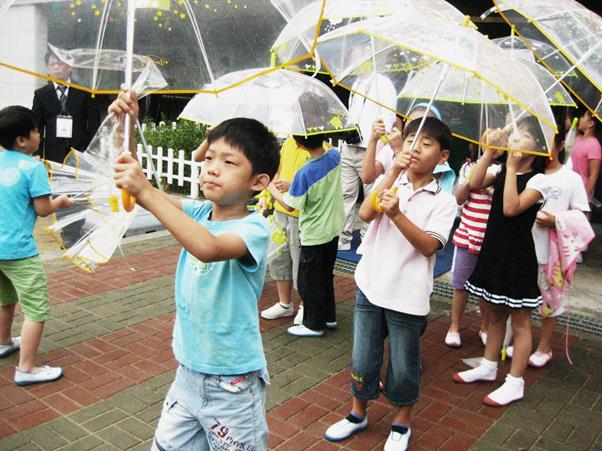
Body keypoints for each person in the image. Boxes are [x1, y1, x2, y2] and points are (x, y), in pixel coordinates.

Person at [110, 90, 280, 450]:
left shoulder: (254, 229)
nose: (213, 168)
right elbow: (143, 194)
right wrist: (126, 127)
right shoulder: (200, 213)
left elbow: (208, 248)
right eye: (210, 158)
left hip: (233, 385)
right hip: (188, 372)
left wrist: (146, 190)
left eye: (230, 162)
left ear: (258, 182)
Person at [324, 117, 456, 450]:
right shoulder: (392, 181)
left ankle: (401, 423)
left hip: (408, 296)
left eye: (426, 144)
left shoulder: (444, 200)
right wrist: (393, 173)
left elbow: (429, 245)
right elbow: (366, 214)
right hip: (370, 285)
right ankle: (358, 413)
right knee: (363, 357)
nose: (415, 148)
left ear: (443, 157)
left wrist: (397, 214)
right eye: (411, 140)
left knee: (403, 364)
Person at [453, 116, 549, 407]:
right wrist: (488, 154)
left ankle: (515, 382)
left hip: (518, 258)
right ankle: (489, 365)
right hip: (493, 251)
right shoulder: (499, 169)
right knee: (494, 315)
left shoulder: (539, 180)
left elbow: (510, 208)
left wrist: (508, 168)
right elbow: (474, 184)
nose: (516, 139)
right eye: (514, 134)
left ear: (540, 147)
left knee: (520, 322)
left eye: (525, 136)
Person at [0, 105, 73, 385]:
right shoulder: (34, 167)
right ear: (22, 140)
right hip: (19, 251)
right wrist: (61, 202)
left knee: (5, 299)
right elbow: (43, 210)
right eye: (34, 130)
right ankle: (26, 368)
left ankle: (4, 341)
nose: (38, 134)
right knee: (37, 308)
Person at [505, 132, 590, 367]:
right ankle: (521, 341)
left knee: (550, 300)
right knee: (522, 299)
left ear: (560, 143)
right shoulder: (531, 174)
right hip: (524, 249)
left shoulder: (571, 178)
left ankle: (544, 347)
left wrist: (557, 220)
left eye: (547, 142)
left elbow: (583, 215)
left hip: (552, 254)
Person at [268, 130, 344, 337]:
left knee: (310, 280)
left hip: (314, 233)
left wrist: (271, 189)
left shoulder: (305, 172)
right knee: (325, 276)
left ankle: (313, 324)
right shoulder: (334, 155)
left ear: (299, 144)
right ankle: (328, 317)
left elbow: (290, 206)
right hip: (333, 228)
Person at [338, 44, 397, 251]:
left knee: (371, 194)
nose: (353, 61)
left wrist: (380, 145)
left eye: (355, 56)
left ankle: (367, 238)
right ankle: (343, 239)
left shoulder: (383, 84)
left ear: (367, 57)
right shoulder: (356, 84)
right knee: (346, 193)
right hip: (349, 145)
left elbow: (389, 117)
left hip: (370, 149)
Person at [444, 153, 498, 348]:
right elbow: (458, 199)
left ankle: (485, 327)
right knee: (460, 285)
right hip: (467, 236)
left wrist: (489, 188)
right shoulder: (470, 167)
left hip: (491, 241)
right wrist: (469, 182)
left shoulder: (503, 170)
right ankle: (454, 327)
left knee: (486, 289)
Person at [260, 137, 311, 324]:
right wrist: (266, 196)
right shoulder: (289, 143)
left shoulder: (319, 148)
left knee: (301, 263)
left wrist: (290, 185)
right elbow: (275, 173)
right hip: (280, 212)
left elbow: (313, 183)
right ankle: (284, 304)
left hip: (300, 214)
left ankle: (306, 305)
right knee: (279, 260)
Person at [32, 50, 100, 163]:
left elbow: (94, 125)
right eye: (52, 64)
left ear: (70, 67)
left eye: (60, 63)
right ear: (47, 69)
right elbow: (37, 126)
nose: (56, 67)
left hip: (80, 153)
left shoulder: (85, 92)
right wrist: (37, 153)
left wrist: (94, 151)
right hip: (53, 154)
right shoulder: (41, 95)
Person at [570, 110, 601, 202]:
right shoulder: (577, 139)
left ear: (590, 124)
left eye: (583, 117)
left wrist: (585, 198)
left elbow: (594, 175)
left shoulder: (594, 145)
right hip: (569, 186)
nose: (580, 119)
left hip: (581, 191)